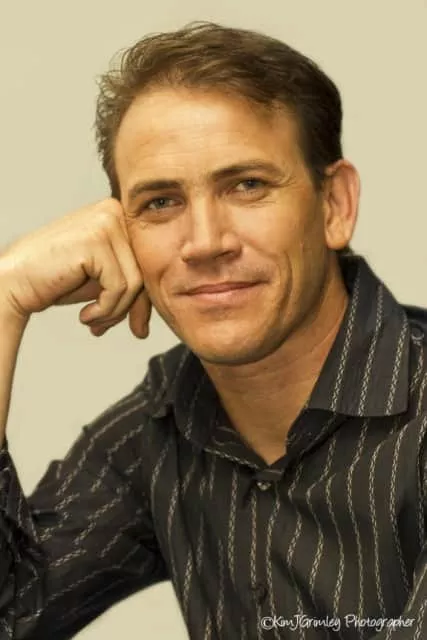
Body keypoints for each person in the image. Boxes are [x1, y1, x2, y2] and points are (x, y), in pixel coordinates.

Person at [0, 19, 426, 640]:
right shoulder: (159, 427)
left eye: (247, 185)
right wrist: (3, 298)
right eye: (161, 202)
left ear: (334, 205)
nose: (204, 243)